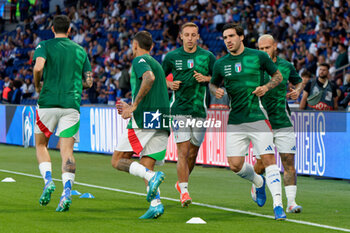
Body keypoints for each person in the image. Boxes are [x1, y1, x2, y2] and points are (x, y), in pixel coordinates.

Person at [209, 23, 286, 220]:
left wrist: (267, 87)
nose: (228, 40)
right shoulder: (220, 64)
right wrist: (214, 90)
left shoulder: (258, 56)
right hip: (235, 120)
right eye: (225, 37)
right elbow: (213, 83)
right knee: (235, 165)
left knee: (268, 159)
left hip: (258, 117)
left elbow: (277, 76)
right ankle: (259, 182)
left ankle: (278, 205)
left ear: (241, 37)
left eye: (231, 36)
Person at [33, 15, 93, 212]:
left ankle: (48, 181)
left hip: (47, 102)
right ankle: (66, 192)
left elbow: (38, 67)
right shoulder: (80, 50)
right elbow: (89, 82)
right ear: (69, 30)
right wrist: (75, 83)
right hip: (71, 104)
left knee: (41, 144)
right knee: (67, 152)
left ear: (52, 29)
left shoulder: (44, 45)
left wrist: (37, 86)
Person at [111, 31, 169, 219]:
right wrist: (132, 104)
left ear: (135, 45)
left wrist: (134, 106)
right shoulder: (157, 64)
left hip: (147, 118)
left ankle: (152, 178)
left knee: (118, 160)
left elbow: (148, 78)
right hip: (163, 118)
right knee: (146, 163)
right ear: (151, 46)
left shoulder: (139, 60)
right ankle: (155, 204)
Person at [162, 22, 216, 207]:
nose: (190, 38)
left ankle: (181, 183)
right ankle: (184, 192)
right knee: (183, 152)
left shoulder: (207, 57)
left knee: (193, 153)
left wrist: (207, 79)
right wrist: (169, 85)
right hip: (179, 110)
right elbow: (159, 78)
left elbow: (219, 78)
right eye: (187, 35)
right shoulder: (172, 56)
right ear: (181, 37)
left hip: (200, 111)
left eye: (194, 35)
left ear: (198, 36)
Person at [251, 34, 303, 214]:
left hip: (283, 120)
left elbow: (299, 82)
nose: (264, 51)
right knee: (261, 164)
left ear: (275, 46)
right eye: (261, 48)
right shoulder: (254, 67)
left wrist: (297, 91)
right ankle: (256, 181)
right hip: (261, 123)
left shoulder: (286, 66)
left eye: (267, 47)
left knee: (288, 162)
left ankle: (291, 202)